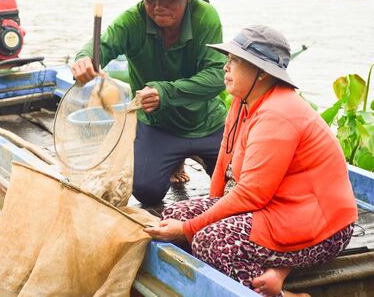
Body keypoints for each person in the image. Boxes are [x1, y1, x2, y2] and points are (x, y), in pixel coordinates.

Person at [144, 25, 358, 296]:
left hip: (321, 226)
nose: (226, 67)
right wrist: (198, 217)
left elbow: (251, 195)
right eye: (228, 59)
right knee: (175, 214)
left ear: (261, 73)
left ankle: (280, 293)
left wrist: (190, 229)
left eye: (235, 61)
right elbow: (224, 160)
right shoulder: (243, 101)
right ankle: (271, 271)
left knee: (212, 241)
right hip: (278, 211)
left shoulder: (278, 114)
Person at [71, 0, 227, 206]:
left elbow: (219, 76)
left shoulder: (205, 17)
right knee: (146, 191)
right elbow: (102, 45)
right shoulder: (133, 20)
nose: (157, 6)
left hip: (205, 121)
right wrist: (84, 59)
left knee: (232, 185)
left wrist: (164, 93)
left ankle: (192, 153)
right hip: (158, 125)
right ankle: (174, 157)